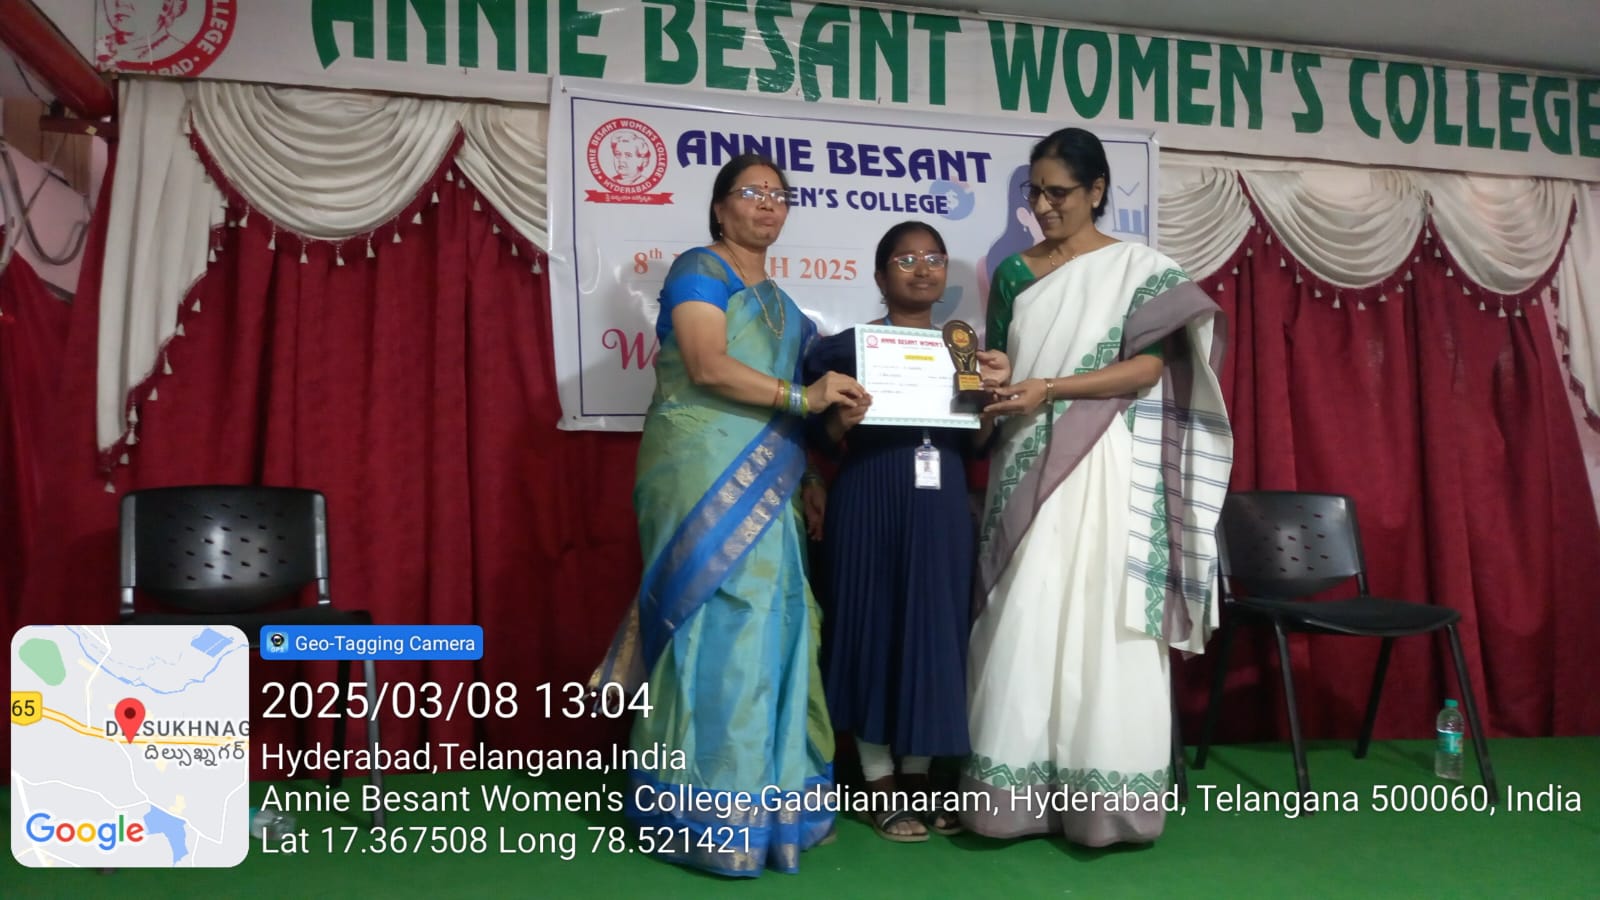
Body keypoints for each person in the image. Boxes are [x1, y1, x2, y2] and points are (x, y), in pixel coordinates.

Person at [592, 153, 869, 877]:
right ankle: (704, 811)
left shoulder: (788, 310)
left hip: (775, 482)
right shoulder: (700, 270)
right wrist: (806, 398)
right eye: (752, 192)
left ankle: (774, 805)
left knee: (778, 619)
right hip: (698, 468)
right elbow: (708, 365)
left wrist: (829, 436)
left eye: (780, 194)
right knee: (715, 620)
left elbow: (802, 413)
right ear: (720, 207)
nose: (768, 204)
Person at [960, 127, 1234, 847]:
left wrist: (1050, 387)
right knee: (1024, 610)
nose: (1045, 207)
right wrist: (999, 374)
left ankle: (1104, 801)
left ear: (1098, 191)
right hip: (1026, 457)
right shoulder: (1014, 273)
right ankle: (1012, 799)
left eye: (1059, 193)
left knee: (1102, 616)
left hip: (1105, 460)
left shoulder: (1138, 267)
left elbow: (1147, 370)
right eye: (1035, 194)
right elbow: (1006, 360)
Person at [802, 222, 981, 843]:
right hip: (870, 495)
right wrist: (841, 422)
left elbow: (980, 440)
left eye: (934, 258)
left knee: (934, 630)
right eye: (906, 259)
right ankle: (877, 779)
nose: (922, 268)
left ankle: (920, 776)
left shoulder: (965, 349)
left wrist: (989, 396)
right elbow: (818, 438)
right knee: (871, 627)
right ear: (880, 276)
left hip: (942, 501)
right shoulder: (846, 350)